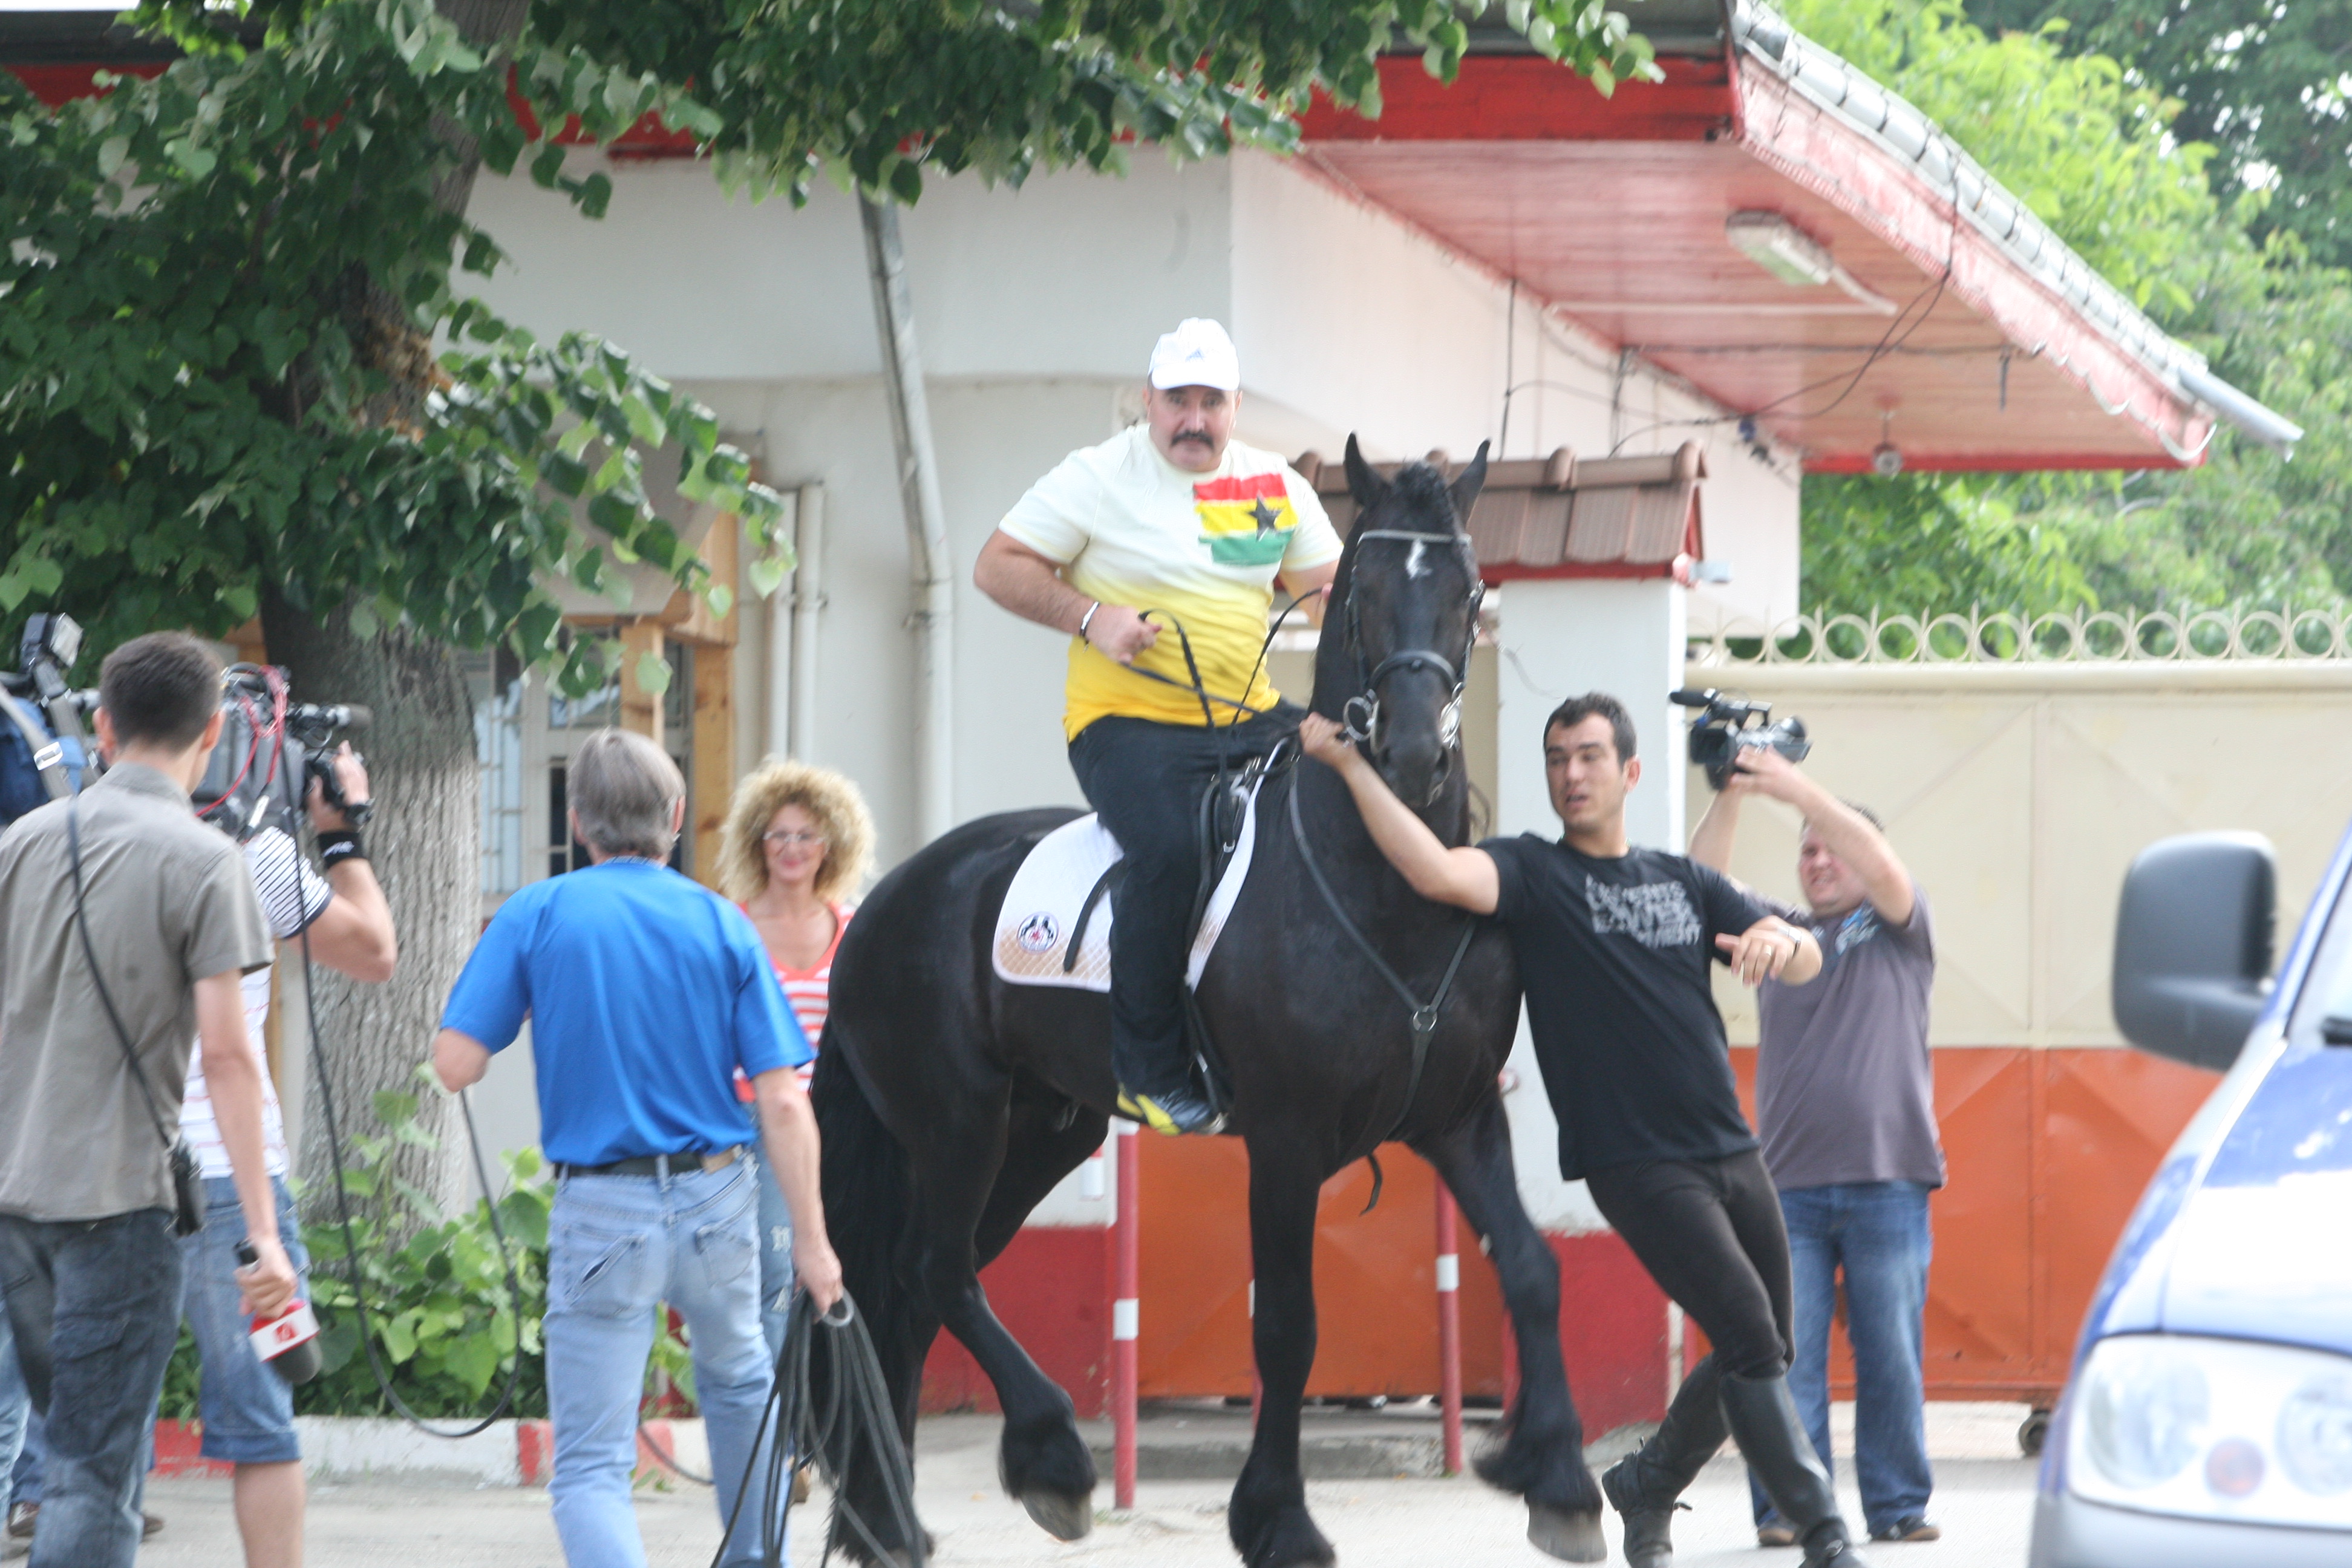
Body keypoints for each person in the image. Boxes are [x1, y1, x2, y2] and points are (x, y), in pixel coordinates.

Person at [1302, 693, 1876, 1568]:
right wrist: (1349, 765)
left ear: (1630, 773)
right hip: (1636, 1160)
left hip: (1731, 1145)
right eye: (1558, 758)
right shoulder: (1535, 876)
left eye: (1591, 756)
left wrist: (1774, 942)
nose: (1573, 773)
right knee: (1755, 1339)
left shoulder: (1681, 880)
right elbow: (1434, 872)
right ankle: (1827, 1534)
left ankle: (1646, 1484)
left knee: (1768, 1344)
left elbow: (1807, 952)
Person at [431, 728, 842, 1568]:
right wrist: (813, 1241)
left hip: (603, 1208)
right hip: (719, 1199)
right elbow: (782, 1101)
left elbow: (456, 1064)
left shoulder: (539, 912)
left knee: (589, 1462)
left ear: (578, 822)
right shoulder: (721, 924)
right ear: (678, 817)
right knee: (741, 1390)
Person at [6, 745, 396, 1567]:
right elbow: (372, 951)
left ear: (103, 731)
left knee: (85, 1434)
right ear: (215, 732)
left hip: (91, 1172)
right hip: (227, 1173)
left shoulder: (42, 843)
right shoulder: (250, 855)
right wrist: (342, 832)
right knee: (260, 1422)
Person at [973, 316, 1342, 1134]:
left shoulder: (1275, 486)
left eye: (1212, 401)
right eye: (1178, 400)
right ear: (1149, 401)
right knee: (1171, 852)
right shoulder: (1097, 476)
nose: (1194, 419)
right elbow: (996, 566)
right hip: (1126, 724)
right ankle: (1148, 1071)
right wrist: (1091, 616)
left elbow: (1331, 594)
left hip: (1249, 718)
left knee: (1355, 798)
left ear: (1237, 406)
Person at [0, 632, 295, 1568]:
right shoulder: (207, 862)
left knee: (87, 1456)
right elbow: (228, 1058)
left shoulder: (18, 844)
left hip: (14, 1204)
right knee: (92, 1477)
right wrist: (263, 1234)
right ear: (214, 732)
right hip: (119, 1209)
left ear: (102, 725)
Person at [1688, 748, 1941, 1547]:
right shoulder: (1777, 932)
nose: (1819, 859)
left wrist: (1796, 788)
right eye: (1805, 849)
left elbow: (1883, 864)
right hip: (1786, 1189)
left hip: (1888, 1182)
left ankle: (1898, 1508)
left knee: (1892, 1356)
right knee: (1785, 1360)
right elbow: (1696, 890)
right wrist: (1732, 794)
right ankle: (1794, 1511)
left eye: (1833, 846)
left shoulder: (1901, 924)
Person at [717, 757, 874, 1357]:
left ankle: (805, 1425)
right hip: (752, 1121)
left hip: (835, 1124)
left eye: (806, 835)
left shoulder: (855, 927)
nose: (791, 847)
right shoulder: (730, 925)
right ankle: (774, 1432)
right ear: (757, 841)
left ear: (831, 842)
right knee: (775, 1272)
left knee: (835, 1275)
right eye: (778, 834)